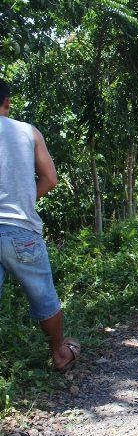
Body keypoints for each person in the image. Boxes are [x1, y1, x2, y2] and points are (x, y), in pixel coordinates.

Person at [0, 79, 81, 371]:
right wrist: (23, 199)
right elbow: (50, 178)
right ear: (6, 102)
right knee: (44, 296)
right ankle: (59, 354)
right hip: (21, 230)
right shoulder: (27, 132)